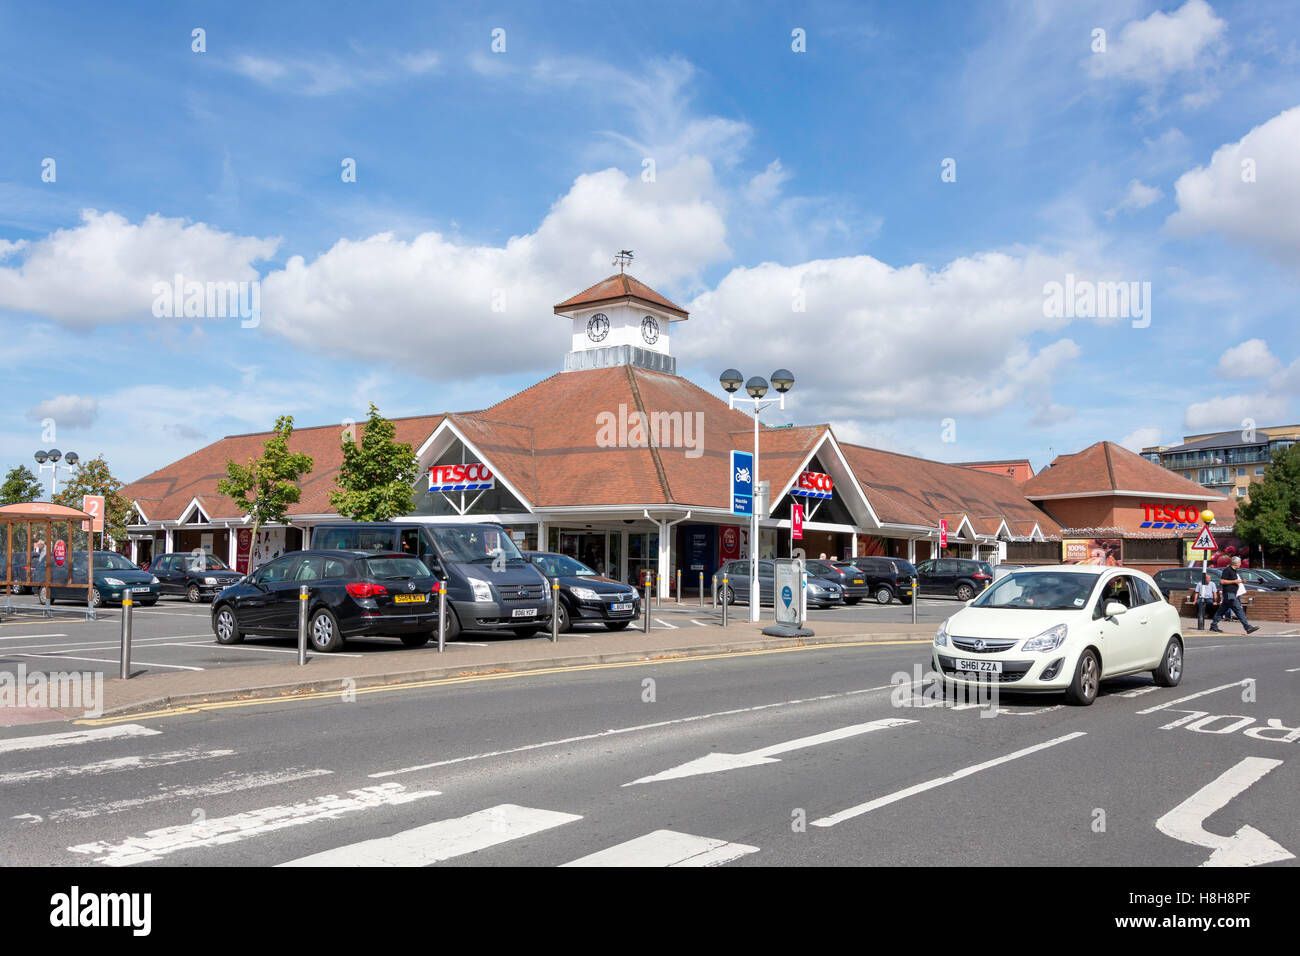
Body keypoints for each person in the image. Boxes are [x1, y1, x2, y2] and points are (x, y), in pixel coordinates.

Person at [1211, 556, 1260, 634]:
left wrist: (1240, 582)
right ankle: (1247, 627)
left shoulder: (1234, 571)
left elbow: (1234, 581)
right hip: (1229, 594)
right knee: (1239, 610)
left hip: (1231, 594)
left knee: (1221, 611)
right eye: (1240, 562)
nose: (1240, 564)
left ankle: (1213, 626)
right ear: (1236, 563)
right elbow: (1222, 581)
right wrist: (1235, 581)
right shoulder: (1228, 570)